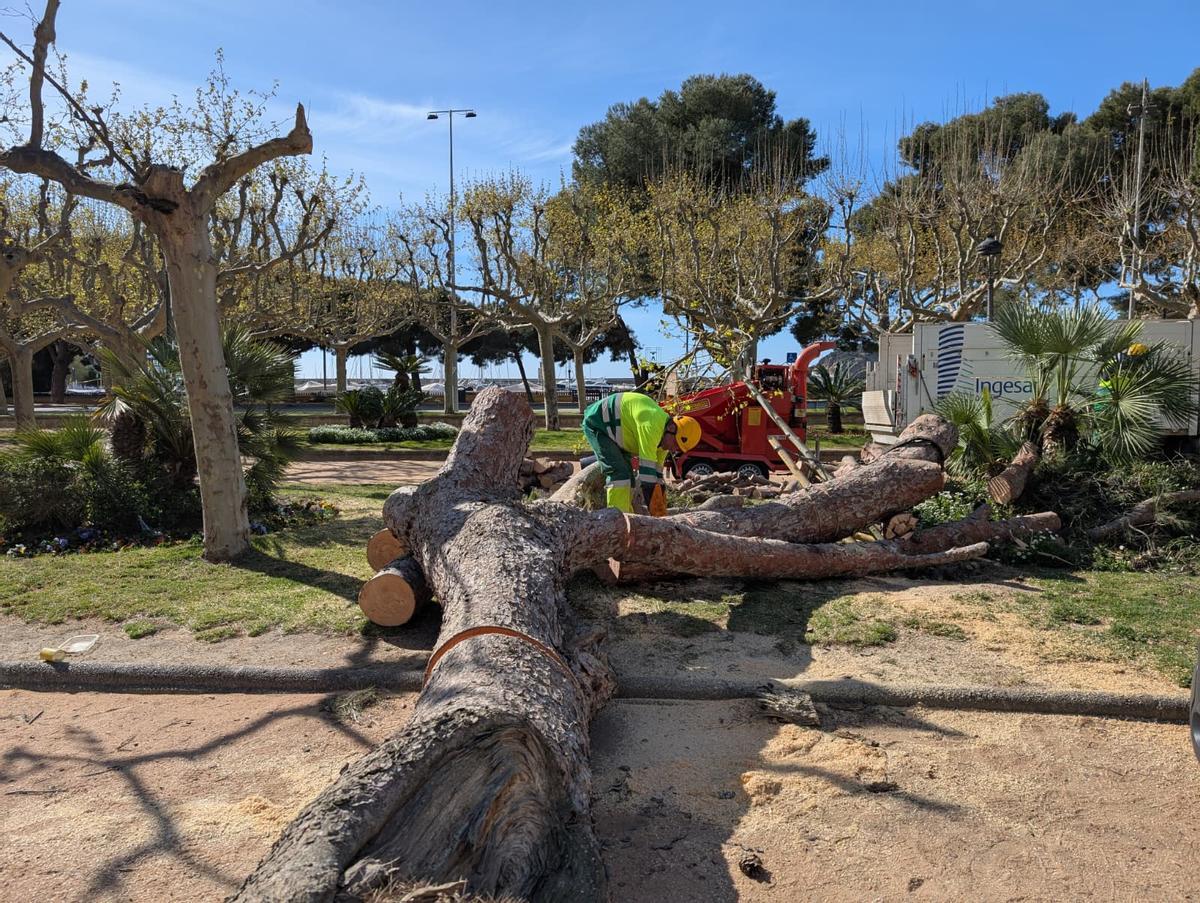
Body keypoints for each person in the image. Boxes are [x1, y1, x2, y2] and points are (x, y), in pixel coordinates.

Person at [581, 391, 700, 515]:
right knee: (619, 474)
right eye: (675, 444)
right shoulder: (651, 426)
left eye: (678, 448)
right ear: (671, 428)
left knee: (629, 478)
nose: (673, 449)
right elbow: (647, 478)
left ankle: (629, 517)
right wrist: (657, 515)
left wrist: (662, 509)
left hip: (620, 433)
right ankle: (617, 517)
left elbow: (658, 478)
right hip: (598, 424)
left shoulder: (665, 440)